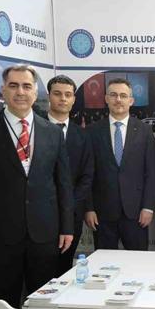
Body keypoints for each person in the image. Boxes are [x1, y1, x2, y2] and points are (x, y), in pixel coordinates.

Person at [0, 64, 74, 309]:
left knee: (42, 303)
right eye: (13, 86)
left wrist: (67, 226)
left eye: (26, 86)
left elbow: (63, 183)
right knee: (5, 304)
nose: (20, 92)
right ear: (3, 90)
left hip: (45, 235)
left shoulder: (53, 133)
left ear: (35, 92)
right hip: (0, 237)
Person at [85, 77, 155, 251]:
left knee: (138, 263)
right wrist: (89, 208)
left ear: (131, 100)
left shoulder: (145, 131)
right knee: (103, 264)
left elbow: (151, 173)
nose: (118, 99)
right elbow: (87, 174)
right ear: (106, 99)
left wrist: (148, 207)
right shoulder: (92, 131)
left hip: (136, 213)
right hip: (102, 214)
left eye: (123, 96)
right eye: (113, 95)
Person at [44, 75, 93, 272]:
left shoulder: (83, 135)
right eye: (57, 94)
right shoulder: (33, 130)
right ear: (49, 96)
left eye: (68, 94)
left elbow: (87, 176)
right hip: (40, 214)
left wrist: (69, 203)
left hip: (72, 215)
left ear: (73, 99)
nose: (63, 98)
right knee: (40, 272)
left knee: (64, 269)